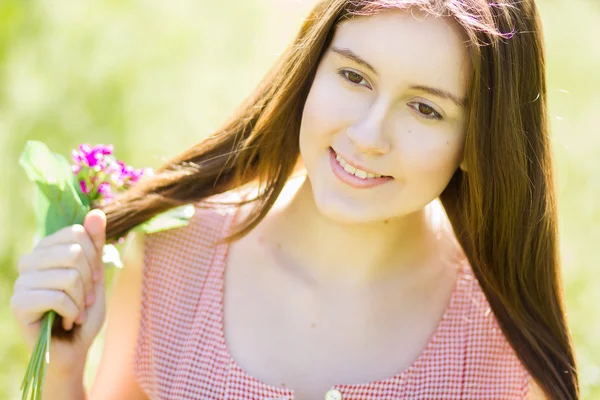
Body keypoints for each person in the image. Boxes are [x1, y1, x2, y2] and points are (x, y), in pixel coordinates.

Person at [10, 0, 579, 399]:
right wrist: (64, 370)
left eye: (426, 109)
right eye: (355, 77)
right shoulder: (176, 253)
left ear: (478, 142)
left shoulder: (499, 349)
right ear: (311, 69)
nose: (366, 136)